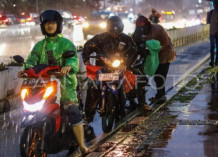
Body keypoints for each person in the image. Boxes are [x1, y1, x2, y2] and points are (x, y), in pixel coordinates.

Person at [17, 10, 89, 155]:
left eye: (52, 23)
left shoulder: (66, 44)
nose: (49, 26)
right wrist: (25, 69)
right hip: (42, 84)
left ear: (58, 25)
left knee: (72, 110)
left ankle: (82, 146)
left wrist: (68, 66)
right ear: (43, 26)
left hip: (64, 85)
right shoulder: (39, 46)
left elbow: (73, 58)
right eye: (46, 23)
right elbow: (31, 60)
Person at [82, 16, 150, 123]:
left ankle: (142, 103)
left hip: (120, 67)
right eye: (112, 31)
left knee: (140, 78)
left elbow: (134, 51)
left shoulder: (126, 39)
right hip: (102, 68)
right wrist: (86, 60)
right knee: (92, 88)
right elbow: (87, 46)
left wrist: (126, 64)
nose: (115, 34)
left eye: (117, 32)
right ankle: (88, 116)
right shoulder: (100, 38)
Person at [133, 15, 176, 103]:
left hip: (164, 54)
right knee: (152, 76)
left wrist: (154, 50)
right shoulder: (139, 31)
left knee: (160, 76)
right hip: (151, 55)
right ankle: (158, 96)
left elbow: (166, 44)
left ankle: (161, 97)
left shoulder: (157, 29)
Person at [207, 2, 218, 67]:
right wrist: (208, 16)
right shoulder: (210, 13)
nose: (215, 5)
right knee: (212, 47)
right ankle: (212, 61)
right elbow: (208, 22)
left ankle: (216, 61)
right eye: (214, 4)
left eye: (216, 4)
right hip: (212, 32)